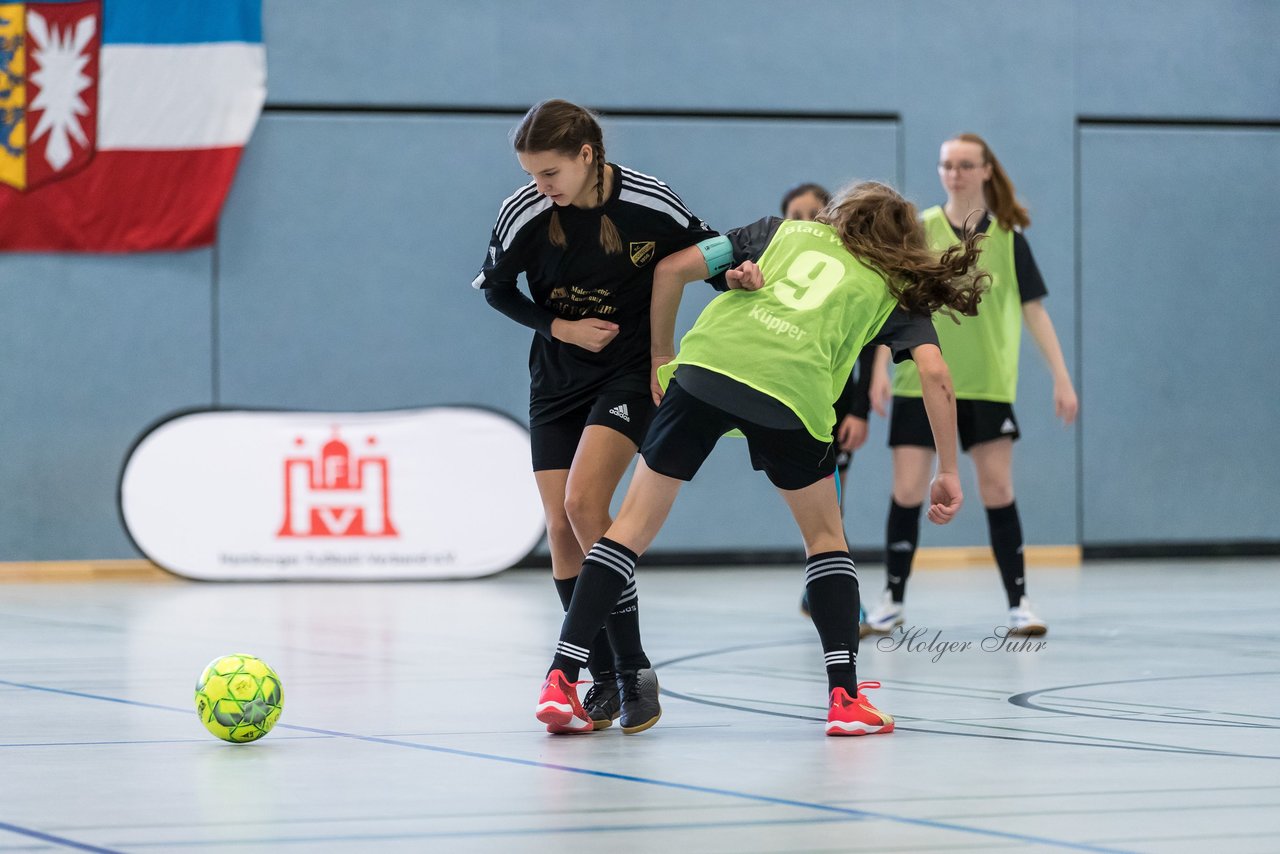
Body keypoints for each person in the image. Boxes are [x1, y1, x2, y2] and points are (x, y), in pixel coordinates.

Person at [534, 181, 988, 737]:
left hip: (705, 371)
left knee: (626, 530)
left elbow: (672, 268)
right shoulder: (893, 285)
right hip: (791, 394)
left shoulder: (777, 232)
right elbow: (936, 375)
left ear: (839, 214)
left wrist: (661, 354)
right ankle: (845, 699)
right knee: (825, 538)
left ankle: (561, 678)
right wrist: (947, 468)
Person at [472, 99, 759, 732]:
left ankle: (630, 670)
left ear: (587, 155)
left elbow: (705, 253)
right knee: (559, 526)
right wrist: (560, 327)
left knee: (583, 504)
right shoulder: (525, 212)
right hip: (556, 376)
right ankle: (610, 677)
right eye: (531, 175)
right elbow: (495, 288)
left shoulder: (649, 202)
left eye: (550, 174)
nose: (539, 188)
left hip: (628, 373)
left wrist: (735, 276)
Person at [863, 133, 1078, 638]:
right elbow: (887, 302)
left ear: (985, 170)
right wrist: (878, 368)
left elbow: (1034, 312)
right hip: (919, 380)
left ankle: (1019, 603)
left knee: (998, 489)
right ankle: (892, 599)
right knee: (908, 490)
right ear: (939, 172)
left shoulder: (1007, 236)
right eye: (947, 165)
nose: (955, 172)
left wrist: (1061, 378)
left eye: (965, 164)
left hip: (987, 384)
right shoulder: (918, 232)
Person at [780, 183, 876, 618]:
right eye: (794, 215)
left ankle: (842, 606)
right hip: (786, 403)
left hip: (834, 407)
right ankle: (817, 594)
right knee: (819, 513)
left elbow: (869, 343)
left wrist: (859, 410)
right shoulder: (775, 266)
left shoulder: (847, 269)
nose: (804, 222)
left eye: (813, 213)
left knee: (830, 512)